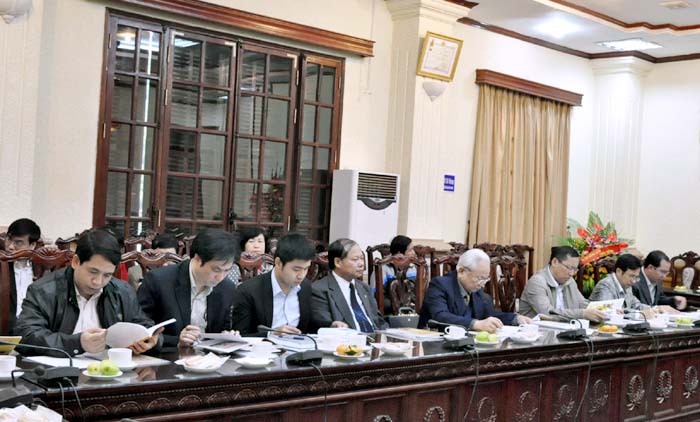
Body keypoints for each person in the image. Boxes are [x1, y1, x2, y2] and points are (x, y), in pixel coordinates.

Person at [16, 230, 161, 356]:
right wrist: (77, 343)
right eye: (93, 272)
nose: (98, 282)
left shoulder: (122, 291)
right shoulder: (44, 290)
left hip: (111, 371)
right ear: (75, 262)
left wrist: (152, 341)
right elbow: (26, 336)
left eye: (107, 275)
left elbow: (145, 326)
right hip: (61, 373)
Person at [138, 228, 239, 347]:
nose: (220, 277)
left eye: (226, 270)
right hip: (169, 354)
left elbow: (223, 328)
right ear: (197, 259)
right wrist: (177, 341)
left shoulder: (226, 287)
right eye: (216, 270)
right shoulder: (159, 281)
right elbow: (140, 329)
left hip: (209, 355)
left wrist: (227, 336)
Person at [418, 249, 531, 333]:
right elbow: (441, 316)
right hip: (435, 344)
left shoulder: (476, 290)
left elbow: (490, 315)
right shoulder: (439, 285)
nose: (483, 284)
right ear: (461, 271)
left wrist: (515, 319)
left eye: (486, 278)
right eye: (480, 278)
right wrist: (475, 324)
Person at [232, 233, 317, 336]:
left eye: (306, 269)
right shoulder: (248, 291)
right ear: (278, 263)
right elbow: (241, 336)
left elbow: (311, 328)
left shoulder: (305, 287)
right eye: (296, 269)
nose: (301, 275)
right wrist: (272, 334)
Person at [311, 238, 388, 332]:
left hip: (374, 338)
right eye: (355, 259)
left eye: (362, 258)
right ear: (337, 262)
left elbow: (379, 321)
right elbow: (325, 325)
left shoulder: (364, 288)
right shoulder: (319, 290)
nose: (361, 264)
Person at [519, 246, 607, 322]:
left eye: (575, 269)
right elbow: (547, 313)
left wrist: (605, 309)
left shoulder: (569, 281)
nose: (571, 273)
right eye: (569, 268)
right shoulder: (537, 282)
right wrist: (582, 314)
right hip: (536, 331)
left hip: (564, 329)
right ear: (555, 262)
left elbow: (582, 303)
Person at [4, 218, 41, 335]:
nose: (10, 247)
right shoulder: (2, 266)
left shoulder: (41, 268)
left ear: (32, 245)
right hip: (5, 331)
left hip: (34, 331)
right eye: (8, 239)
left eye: (18, 243)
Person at [589, 254, 654, 317]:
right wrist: (637, 315)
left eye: (636, 277)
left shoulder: (627, 285)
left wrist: (654, 309)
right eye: (631, 276)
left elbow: (635, 305)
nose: (633, 281)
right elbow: (608, 313)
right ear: (619, 271)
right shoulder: (605, 285)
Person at [379, 235, 417, 314]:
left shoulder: (414, 268)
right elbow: (377, 295)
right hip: (390, 311)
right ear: (399, 254)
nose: (414, 253)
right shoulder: (383, 269)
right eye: (410, 250)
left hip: (413, 310)